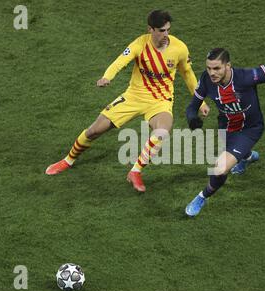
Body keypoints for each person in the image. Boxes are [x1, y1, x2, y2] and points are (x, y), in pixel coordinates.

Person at [45, 10, 208, 192]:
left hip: (160, 101)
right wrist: (107, 77)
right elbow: (120, 61)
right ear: (150, 29)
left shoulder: (179, 48)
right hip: (133, 97)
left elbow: (188, 74)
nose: (166, 35)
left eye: (168, 30)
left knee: (162, 131)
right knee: (94, 131)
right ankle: (68, 160)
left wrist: (200, 102)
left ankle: (135, 171)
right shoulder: (140, 44)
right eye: (161, 30)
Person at [185, 48, 265, 216]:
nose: (212, 73)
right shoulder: (206, 79)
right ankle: (247, 157)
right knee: (236, 153)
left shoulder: (245, 77)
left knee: (220, 168)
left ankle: (201, 197)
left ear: (228, 66)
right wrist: (192, 119)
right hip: (226, 127)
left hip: (249, 129)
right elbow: (192, 106)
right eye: (209, 68)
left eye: (216, 68)